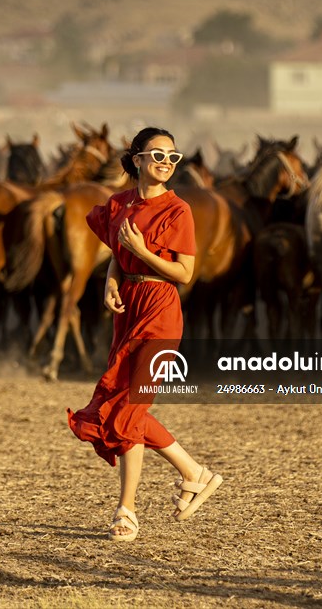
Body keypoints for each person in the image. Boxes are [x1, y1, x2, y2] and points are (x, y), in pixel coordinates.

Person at [67, 127, 222, 542]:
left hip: (160, 308)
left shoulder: (179, 211)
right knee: (121, 405)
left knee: (128, 409)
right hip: (127, 307)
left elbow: (185, 274)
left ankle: (127, 510)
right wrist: (110, 281)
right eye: (158, 155)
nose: (166, 163)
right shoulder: (118, 204)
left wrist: (143, 253)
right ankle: (194, 473)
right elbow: (118, 255)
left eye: (173, 157)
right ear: (137, 159)